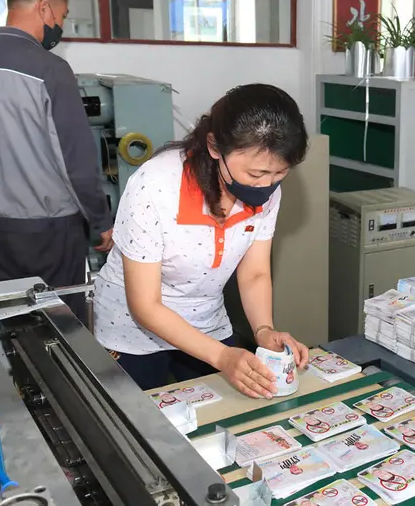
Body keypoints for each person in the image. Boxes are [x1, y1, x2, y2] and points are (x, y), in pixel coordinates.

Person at [93, 84, 310, 396]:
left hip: (205, 323)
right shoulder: (154, 186)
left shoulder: (268, 189)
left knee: (225, 413)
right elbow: (145, 305)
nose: (266, 185)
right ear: (214, 147)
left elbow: (255, 272)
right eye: (255, 174)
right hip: (131, 330)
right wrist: (222, 356)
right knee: (137, 427)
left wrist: (263, 330)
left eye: (279, 175)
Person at [0, 0, 112, 323]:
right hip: (51, 230)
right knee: (61, 330)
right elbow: (76, 159)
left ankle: (22, 381)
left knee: (14, 322)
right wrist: (100, 220)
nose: (62, 25)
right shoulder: (50, 70)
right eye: (63, 15)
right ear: (45, 8)